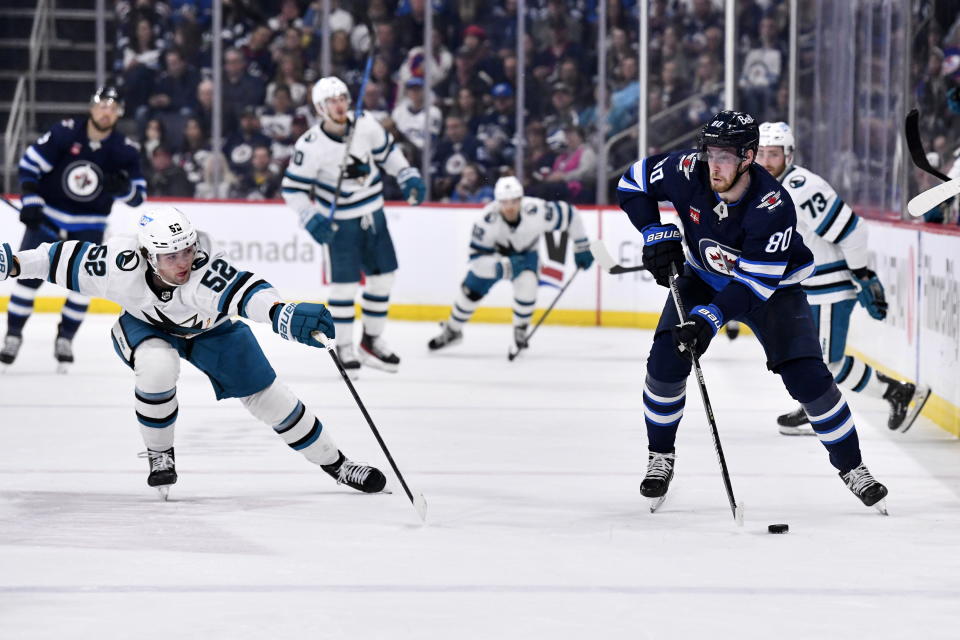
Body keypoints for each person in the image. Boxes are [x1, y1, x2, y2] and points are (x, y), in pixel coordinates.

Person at [0, 206, 386, 500]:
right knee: (156, 367)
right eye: (171, 256)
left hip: (212, 331)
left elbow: (246, 292)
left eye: (187, 250)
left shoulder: (204, 273)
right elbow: (56, 259)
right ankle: (159, 454)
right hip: (146, 325)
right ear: (148, 255)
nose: (183, 262)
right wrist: (14, 263)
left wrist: (280, 312)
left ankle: (338, 464)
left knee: (274, 400)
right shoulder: (117, 266)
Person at [616, 110, 889, 513]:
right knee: (663, 364)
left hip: (773, 291)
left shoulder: (772, 205)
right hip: (702, 276)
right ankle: (661, 457)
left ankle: (854, 468)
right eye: (710, 153)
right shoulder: (688, 169)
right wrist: (654, 231)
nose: (714, 165)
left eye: (725, 156)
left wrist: (707, 321)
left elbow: (753, 285)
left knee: (807, 378)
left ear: (748, 157)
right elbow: (632, 182)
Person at [754, 121, 931, 434]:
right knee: (808, 357)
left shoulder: (801, 187)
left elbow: (853, 230)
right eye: (761, 153)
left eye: (774, 154)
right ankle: (814, 404)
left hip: (828, 289)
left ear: (789, 155)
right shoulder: (764, 187)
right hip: (807, 289)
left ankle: (898, 393)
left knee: (826, 363)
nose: (766, 161)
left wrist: (861, 274)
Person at [281, 76, 425, 376]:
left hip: (374, 214)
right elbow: (292, 189)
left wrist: (407, 175)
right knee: (344, 287)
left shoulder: (366, 124)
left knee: (383, 278)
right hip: (340, 225)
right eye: (332, 101)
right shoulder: (310, 145)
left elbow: (389, 154)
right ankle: (344, 346)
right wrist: (310, 216)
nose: (340, 104)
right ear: (320, 107)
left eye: (343, 97)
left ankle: (371, 341)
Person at [2, 86, 147, 371]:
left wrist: (123, 190)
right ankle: (12, 334)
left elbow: (138, 196)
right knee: (27, 280)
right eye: (102, 104)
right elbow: (30, 167)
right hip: (48, 219)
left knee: (83, 287)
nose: (106, 110)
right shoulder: (65, 133)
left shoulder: (125, 150)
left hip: (89, 226)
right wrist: (31, 201)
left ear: (118, 113)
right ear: (92, 108)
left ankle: (65, 338)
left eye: (112, 107)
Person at [428, 176, 594, 351]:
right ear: (497, 202)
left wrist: (581, 246)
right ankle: (453, 330)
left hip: (526, 254)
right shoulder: (486, 221)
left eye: (514, 201)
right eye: (504, 202)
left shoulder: (537, 210)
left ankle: (520, 328)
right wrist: (503, 267)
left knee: (528, 286)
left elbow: (571, 214)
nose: (509, 207)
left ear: (521, 199)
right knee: (470, 291)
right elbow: (476, 260)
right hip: (494, 256)